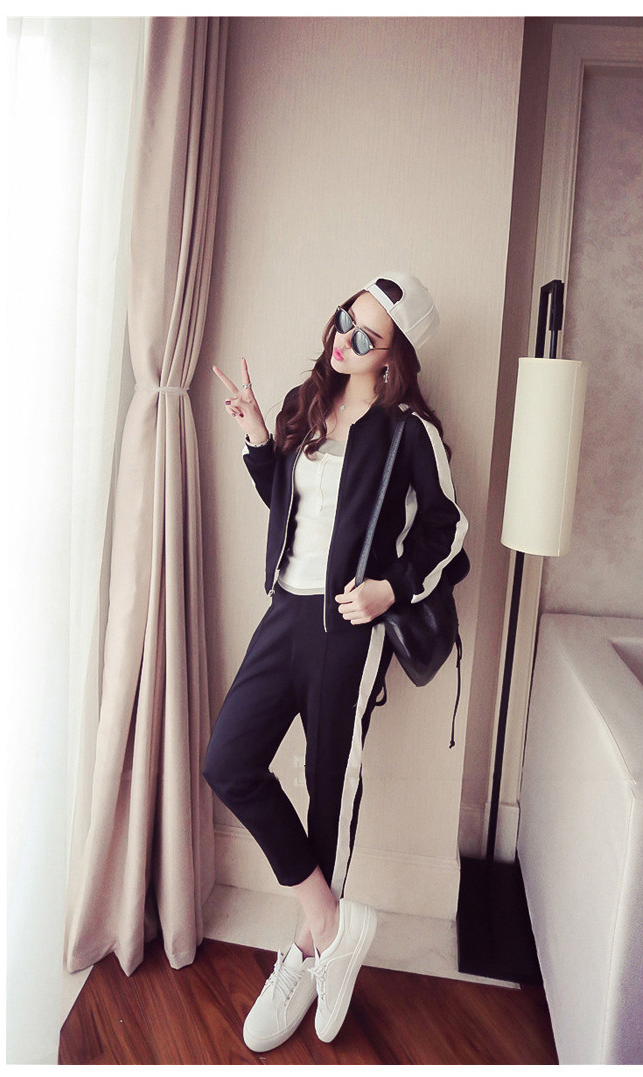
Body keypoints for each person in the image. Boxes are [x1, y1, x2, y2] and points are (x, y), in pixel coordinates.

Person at [203, 273, 468, 1052]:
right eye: (346, 320)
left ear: (392, 357)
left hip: (348, 628)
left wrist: (392, 587)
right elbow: (286, 501)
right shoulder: (306, 401)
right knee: (228, 760)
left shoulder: (408, 432)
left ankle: (307, 952)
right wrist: (259, 436)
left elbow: (449, 531)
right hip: (285, 611)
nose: (344, 339)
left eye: (366, 336)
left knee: (330, 784)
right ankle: (331, 922)